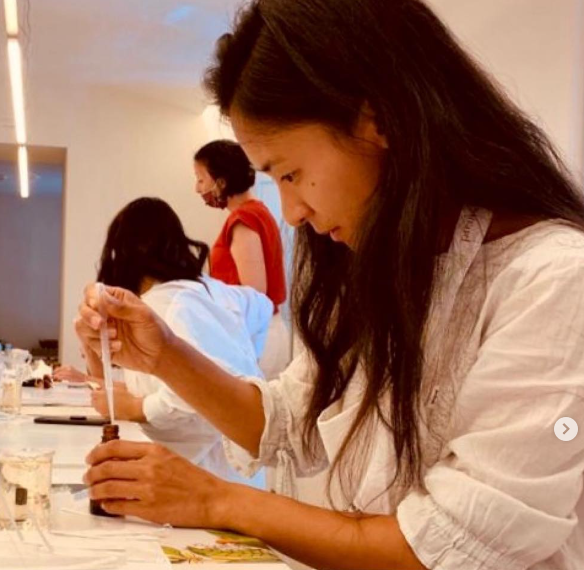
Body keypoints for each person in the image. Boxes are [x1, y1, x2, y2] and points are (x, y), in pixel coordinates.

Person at [76, 1, 584, 568]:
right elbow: (288, 422)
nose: (292, 212)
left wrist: (217, 499)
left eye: (290, 173)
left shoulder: (554, 280)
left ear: (378, 118)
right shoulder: (383, 264)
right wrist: (163, 353)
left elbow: (448, 547)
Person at [82, 197, 273, 485]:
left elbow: (192, 394)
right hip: (243, 470)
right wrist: (249, 353)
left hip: (203, 474)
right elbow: (263, 305)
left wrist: (137, 407)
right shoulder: (214, 290)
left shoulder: (162, 304)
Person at [194, 139, 290, 377]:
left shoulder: (243, 219)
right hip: (265, 333)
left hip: (256, 337)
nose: (197, 189)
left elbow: (254, 293)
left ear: (221, 182)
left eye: (201, 179)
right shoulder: (258, 212)